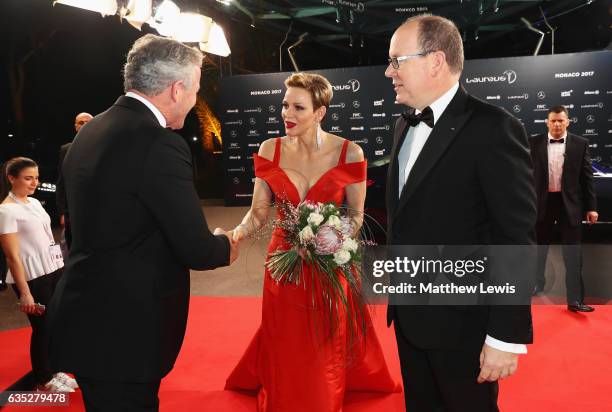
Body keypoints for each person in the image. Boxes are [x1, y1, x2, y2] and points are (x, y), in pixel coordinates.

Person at [47, 34, 238, 412]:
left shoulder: (90, 132)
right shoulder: (159, 143)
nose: (195, 100)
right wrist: (227, 244)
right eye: (195, 90)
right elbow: (196, 249)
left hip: (84, 317)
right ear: (176, 88)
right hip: (125, 334)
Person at [384, 14, 536, 411]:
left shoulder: (494, 128)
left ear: (435, 61)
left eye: (397, 60)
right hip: (410, 317)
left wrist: (504, 337)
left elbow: (514, 237)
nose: (389, 71)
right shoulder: (402, 126)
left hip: (465, 326)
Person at [225, 72, 399, 411]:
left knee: (326, 336)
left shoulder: (350, 152)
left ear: (320, 113)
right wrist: (237, 234)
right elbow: (258, 214)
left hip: (330, 258)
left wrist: (333, 239)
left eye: (298, 107)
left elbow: (357, 216)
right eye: (284, 105)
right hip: (282, 261)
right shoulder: (269, 150)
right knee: (284, 334)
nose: (286, 114)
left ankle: (322, 397)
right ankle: (283, 395)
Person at [0, 157, 77, 392]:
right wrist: (24, 293)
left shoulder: (33, 202)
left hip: (53, 268)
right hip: (33, 276)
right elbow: (12, 257)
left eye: (36, 177)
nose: (34, 183)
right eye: (27, 178)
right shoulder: (6, 211)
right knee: (43, 327)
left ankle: (55, 369)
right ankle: (43, 379)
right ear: (11, 178)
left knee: (57, 323)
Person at [530, 106, 597, 312]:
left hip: (570, 205)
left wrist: (592, 207)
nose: (557, 124)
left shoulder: (580, 143)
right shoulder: (533, 143)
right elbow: (524, 176)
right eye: (553, 121)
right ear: (547, 122)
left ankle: (575, 300)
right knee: (538, 250)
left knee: (573, 254)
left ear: (568, 122)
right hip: (542, 203)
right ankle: (536, 285)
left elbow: (587, 178)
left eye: (561, 120)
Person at [56, 112, 93, 250]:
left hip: (97, 209)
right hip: (72, 211)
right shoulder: (66, 150)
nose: (84, 125)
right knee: (73, 250)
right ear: (75, 126)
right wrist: (61, 212)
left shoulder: (105, 146)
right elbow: (61, 182)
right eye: (81, 123)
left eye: (88, 122)